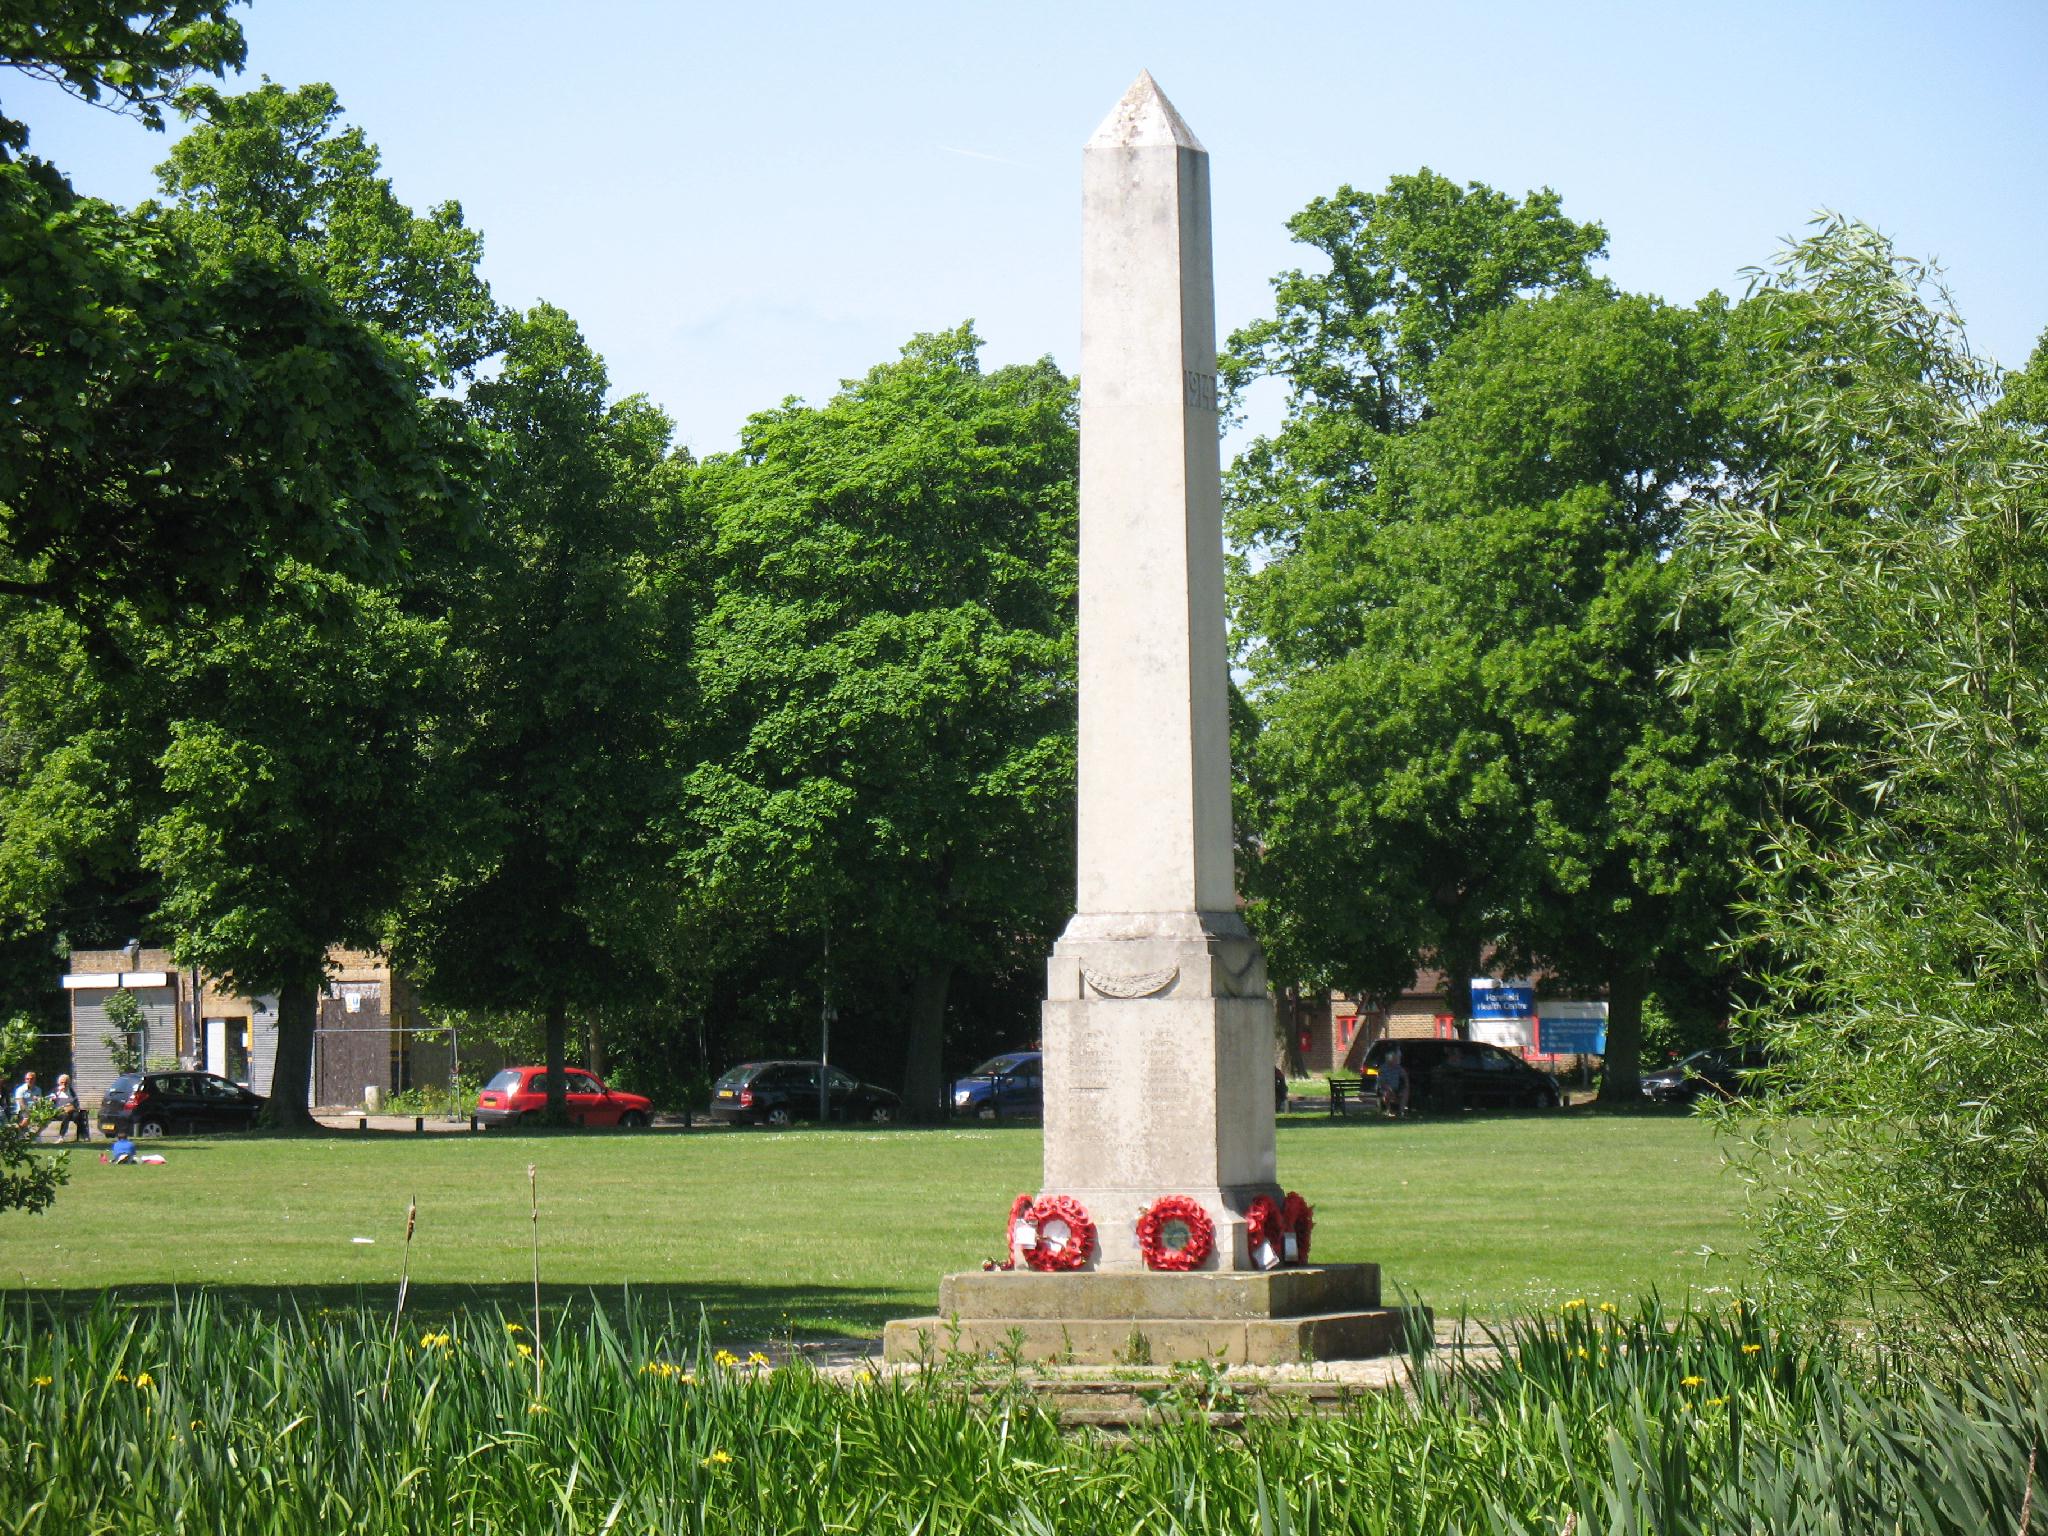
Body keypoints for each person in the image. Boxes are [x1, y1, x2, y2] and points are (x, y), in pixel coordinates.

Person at [46, 1073, 89, 1142]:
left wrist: (73, 1107)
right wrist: (59, 1092)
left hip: (71, 1111)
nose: (64, 1084)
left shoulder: (71, 1091)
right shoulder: (55, 1091)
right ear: (59, 1083)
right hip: (58, 1112)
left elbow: (76, 1102)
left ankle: (84, 1136)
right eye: (62, 1082)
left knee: (79, 1115)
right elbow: (50, 1101)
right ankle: (61, 1136)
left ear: (68, 1083)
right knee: (66, 1115)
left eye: (66, 1083)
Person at [1376, 1049, 1409, 1117]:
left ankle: (1401, 1111)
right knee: (1387, 1093)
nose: (1396, 1060)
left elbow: (1404, 1075)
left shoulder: (1397, 1067)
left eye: (1396, 1059)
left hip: (1396, 1088)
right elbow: (1381, 1082)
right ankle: (1389, 1110)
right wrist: (1390, 1089)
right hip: (1385, 1088)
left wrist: (1406, 1084)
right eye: (1394, 1059)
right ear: (1389, 1059)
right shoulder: (1383, 1069)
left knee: (1405, 1091)